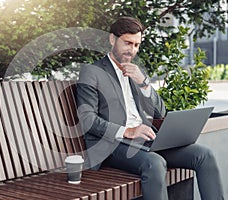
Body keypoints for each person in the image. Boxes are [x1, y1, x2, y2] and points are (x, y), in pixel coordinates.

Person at [76, 16, 224, 200]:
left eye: (137, 45)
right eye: (128, 43)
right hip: (113, 145)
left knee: (204, 155)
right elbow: (87, 120)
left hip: (147, 141)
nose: (132, 50)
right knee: (155, 163)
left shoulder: (137, 72)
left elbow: (160, 112)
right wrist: (129, 131)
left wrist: (144, 83)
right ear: (112, 39)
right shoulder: (92, 72)